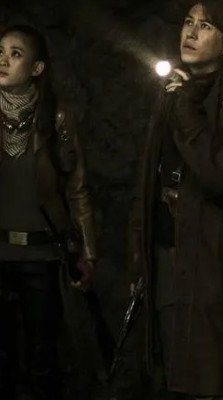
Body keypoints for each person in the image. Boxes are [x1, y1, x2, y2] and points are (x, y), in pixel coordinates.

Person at [129, 1, 223, 398]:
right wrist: (140, 255)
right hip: (168, 257)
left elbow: (222, 175)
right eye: (188, 22)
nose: (191, 32)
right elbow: (149, 178)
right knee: (170, 376)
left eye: (205, 26)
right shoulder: (174, 90)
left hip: (211, 268)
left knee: (206, 381)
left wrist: (185, 107)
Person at [0, 24, 96, 400]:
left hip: (41, 257)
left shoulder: (57, 118)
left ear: (37, 68)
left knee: (44, 357)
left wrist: (87, 251)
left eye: (15, 53)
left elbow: (76, 187)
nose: (3, 60)